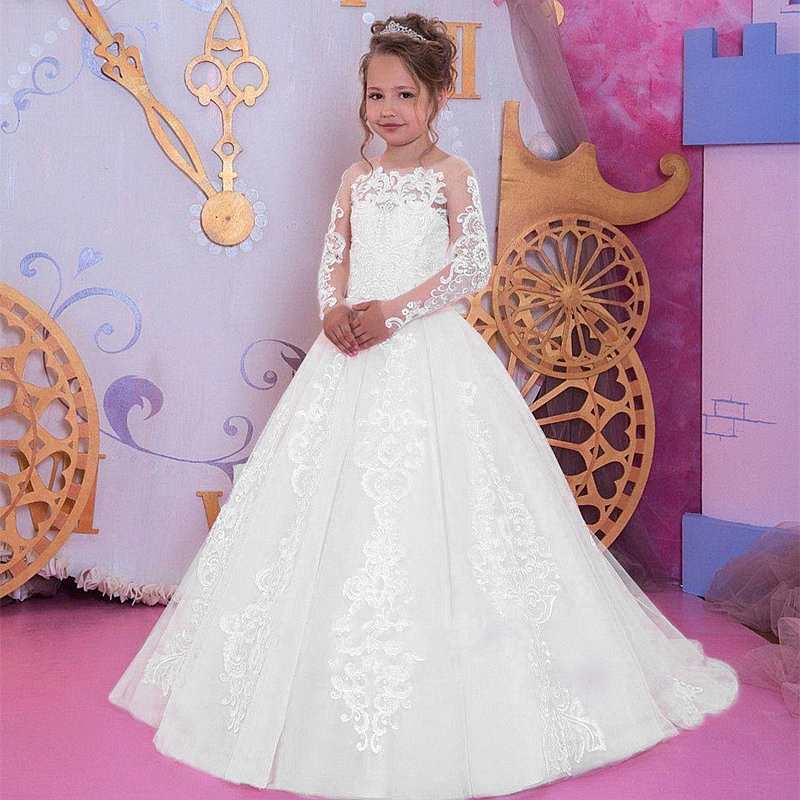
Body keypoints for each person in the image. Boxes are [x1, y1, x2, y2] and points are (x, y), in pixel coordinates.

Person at [108, 13, 740, 798]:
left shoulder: (451, 173)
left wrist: (393, 313)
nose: (388, 109)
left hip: (425, 351)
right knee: (326, 511)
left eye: (405, 94)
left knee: (442, 508)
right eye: (376, 94)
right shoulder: (356, 178)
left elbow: (470, 267)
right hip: (349, 356)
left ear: (437, 98)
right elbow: (333, 258)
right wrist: (333, 311)